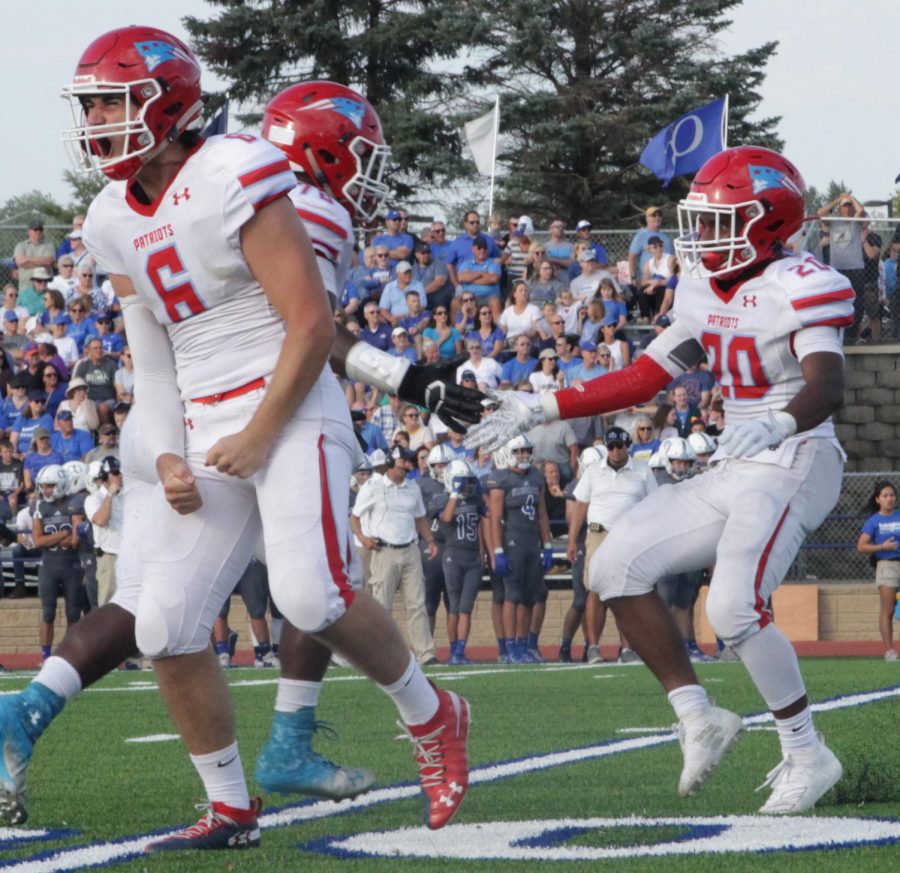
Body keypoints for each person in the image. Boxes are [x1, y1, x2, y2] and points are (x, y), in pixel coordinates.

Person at [10, 40, 468, 849]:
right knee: (165, 624)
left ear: (169, 103)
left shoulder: (235, 167)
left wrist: (260, 433)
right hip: (206, 419)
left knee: (310, 595)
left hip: (288, 406)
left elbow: (311, 323)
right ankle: (229, 805)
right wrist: (164, 456)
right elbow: (154, 361)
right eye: (89, 105)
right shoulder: (110, 218)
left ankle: (435, 717)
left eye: (115, 101)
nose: (97, 121)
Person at [467, 145, 853, 814]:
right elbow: (645, 375)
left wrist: (778, 423)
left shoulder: (803, 283)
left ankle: (806, 751)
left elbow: (829, 385)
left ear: (765, 222)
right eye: (701, 220)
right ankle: (698, 714)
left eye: (718, 220)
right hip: (736, 462)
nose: (704, 235)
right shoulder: (704, 286)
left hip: (797, 456)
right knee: (611, 565)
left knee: (733, 606)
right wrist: (541, 405)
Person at [350, 446, 438, 665]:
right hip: (384, 550)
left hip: (410, 549)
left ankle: (425, 654)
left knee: (417, 603)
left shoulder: (412, 487)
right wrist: (363, 538)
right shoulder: (373, 486)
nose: (408, 465)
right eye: (404, 461)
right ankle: (379, 654)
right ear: (391, 461)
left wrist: (431, 540)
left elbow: (419, 518)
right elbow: (355, 516)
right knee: (382, 606)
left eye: (410, 461)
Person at [486, 434, 553, 663]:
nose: (524, 455)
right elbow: (494, 518)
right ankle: (511, 647)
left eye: (526, 450)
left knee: (529, 598)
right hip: (512, 542)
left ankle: (523, 646)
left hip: (531, 542)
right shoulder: (501, 479)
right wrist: (497, 551)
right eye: (519, 451)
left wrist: (547, 545)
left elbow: (542, 513)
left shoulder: (536, 476)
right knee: (512, 596)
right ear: (508, 454)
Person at [32, 465, 86, 660]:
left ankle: (67, 656)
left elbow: (75, 541)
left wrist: (53, 537)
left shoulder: (75, 503)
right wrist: (64, 533)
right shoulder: (38, 506)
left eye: (50, 486)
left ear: (61, 485)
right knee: (47, 613)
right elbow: (38, 541)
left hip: (72, 565)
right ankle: (46, 657)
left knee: (73, 614)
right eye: (43, 486)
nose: (45, 490)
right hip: (49, 566)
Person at [436, 458, 486, 664]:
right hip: (453, 555)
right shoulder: (442, 498)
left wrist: (483, 551)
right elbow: (446, 518)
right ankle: (453, 650)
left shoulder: (476, 500)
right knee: (454, 606)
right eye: (462, 481)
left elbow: (484, 523)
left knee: (466, 606)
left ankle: (460, 652)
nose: (467, 484)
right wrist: (454, 493)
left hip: (473, 556)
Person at [856, 480, 900, 661]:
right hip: (887, 566)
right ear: (877, 499)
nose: (890, 499)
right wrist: (882, 547)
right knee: (888, 610)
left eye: (892, 495)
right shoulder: (873, 522)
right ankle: (889, 651)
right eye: (885, 496)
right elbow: (861, 546)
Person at [83, 455, 123, 606]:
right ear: (105, 477)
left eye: (120, 472)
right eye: (115, 473)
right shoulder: (93, 499)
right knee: (108, 606)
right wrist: (110, 495)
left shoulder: (128, 495)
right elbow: (101, 520)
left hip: (130, 557)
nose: (120, 476)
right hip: (109, 558)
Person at [13, 221, 55, 294]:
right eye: (35, 229)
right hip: (25, 287)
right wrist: (41, 261)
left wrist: (28, 259)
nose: (38, 232)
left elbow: (48, 261)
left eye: (40, 229)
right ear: (29, 231)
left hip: (44, 288)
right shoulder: (21, 245)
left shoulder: (49, 245)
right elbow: (19, 262)